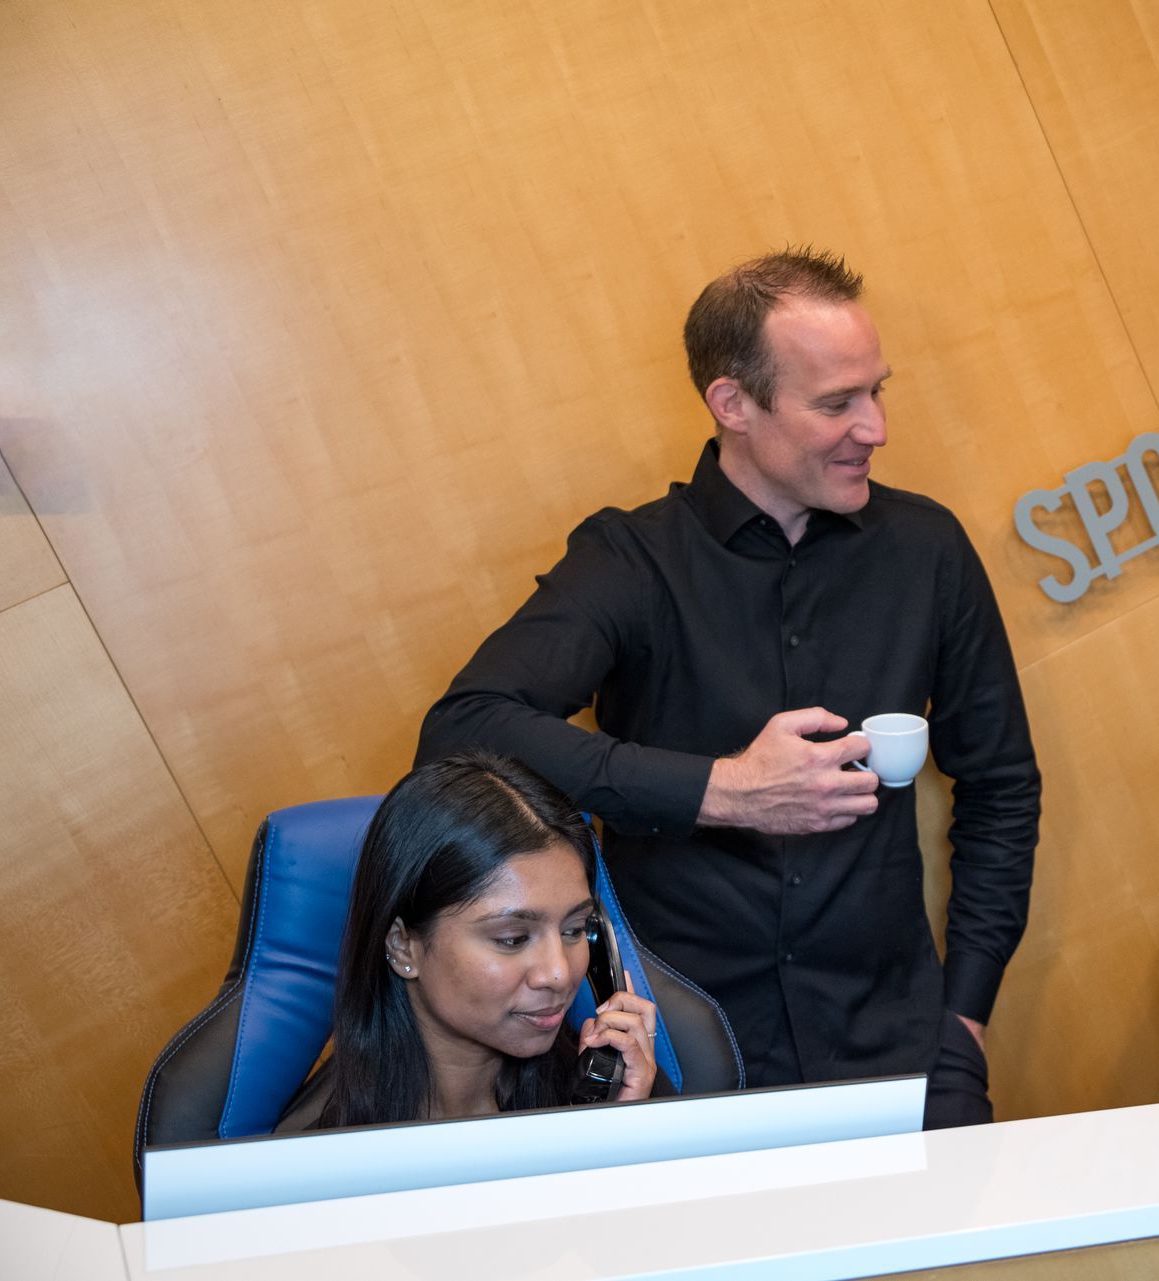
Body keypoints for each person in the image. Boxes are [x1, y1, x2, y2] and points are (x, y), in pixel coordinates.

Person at [415, 248, 1039, 1128]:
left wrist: (965, 1017)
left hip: (906, 1053)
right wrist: (723, 791)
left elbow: (1002, 786)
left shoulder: (926, 551)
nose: (876, 427)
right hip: (682, 1066)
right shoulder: (631, 560)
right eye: (836, 403)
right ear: (732, 403)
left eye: (877, 390)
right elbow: (461, 730)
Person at [279, 752, 659, 1129]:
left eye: (574, 930)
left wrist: (618, 1129)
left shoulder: (605, 1096)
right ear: (402, 946)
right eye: (513, 939)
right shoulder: (323, 1159)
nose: (559, 974)